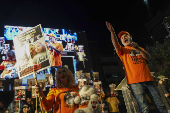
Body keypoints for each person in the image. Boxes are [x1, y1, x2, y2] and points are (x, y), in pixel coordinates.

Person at [106, 21, 167, 113]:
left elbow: (148, 58)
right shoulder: (122, 51)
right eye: (122, 38)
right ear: (121, 42)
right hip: (135, 82)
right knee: (144, 108)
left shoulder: (140, 48)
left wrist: (138, 48)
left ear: (130, 37)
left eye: (126, 36)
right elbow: (115, 44)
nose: (124, 38)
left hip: (148, 79)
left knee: (160, 104)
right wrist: (112, 32)